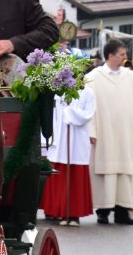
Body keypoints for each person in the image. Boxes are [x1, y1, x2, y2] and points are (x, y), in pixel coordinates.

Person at [85, 39, 133, 225]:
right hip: (105, 130)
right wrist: (91, 130)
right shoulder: (94, 76)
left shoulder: (129, 76)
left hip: (125, 131)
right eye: (122, 54)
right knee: (106, 170)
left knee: (125, 170)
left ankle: (122, 212)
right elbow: (90, 106)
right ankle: (103, 211)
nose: (125, 58)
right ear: (110, 55)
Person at [40, 85, 96, 226]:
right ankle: (55, 210)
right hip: (59, 137)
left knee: (75, 175)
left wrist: (70, 112)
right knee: (57, 173)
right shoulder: (57, 90)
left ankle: (73, 214)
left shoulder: (88, 92)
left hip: (77, 138)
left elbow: (89, 113)